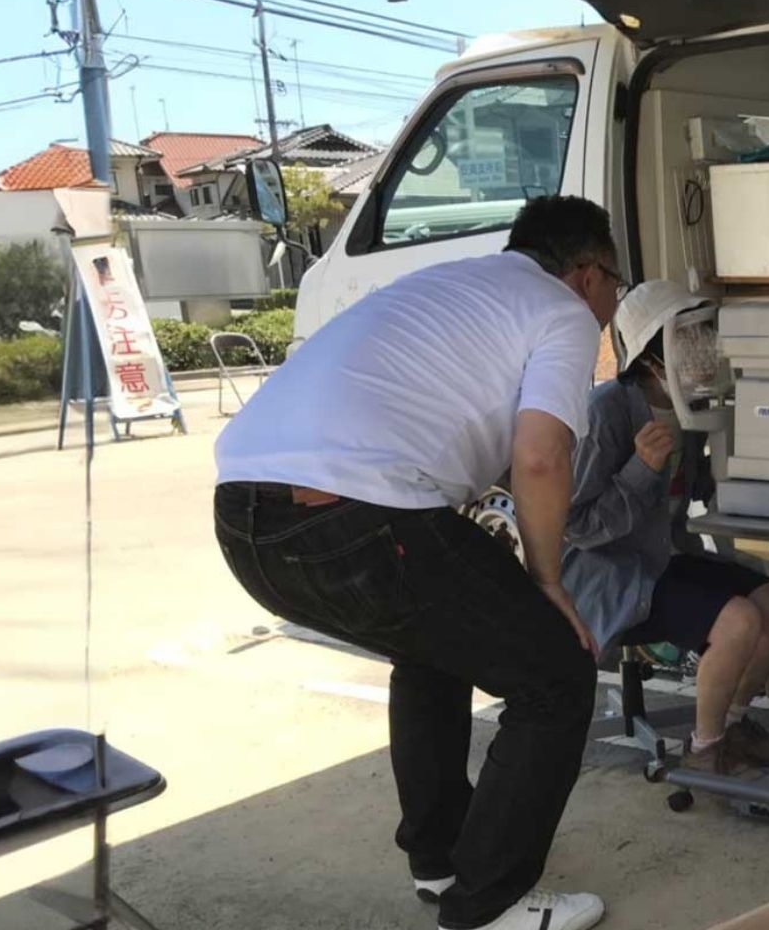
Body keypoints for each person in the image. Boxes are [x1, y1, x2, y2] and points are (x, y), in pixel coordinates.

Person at [211, 196, 622, 930]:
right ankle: (489, 903)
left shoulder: (448, 283)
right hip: (355, 514)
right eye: (614, 284)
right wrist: (547, 581)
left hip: (244, 520)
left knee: (431, 650)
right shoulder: (559, 312)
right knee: (556, 672)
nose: (612, 303)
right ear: (588, 273)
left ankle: (441, 860)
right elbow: (540, 455)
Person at [562, 280, 769, 775]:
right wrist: (640, 468)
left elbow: (698, 486)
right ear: (650, 355)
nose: (701, 349)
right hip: (613, 576)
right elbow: (576, 526)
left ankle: (730, 725)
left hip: (663, 557)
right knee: (739, 621)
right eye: (686, 338)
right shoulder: (607, 412)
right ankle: (705, 750)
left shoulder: (693, 405)